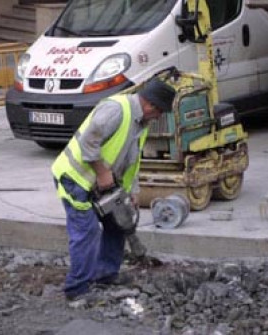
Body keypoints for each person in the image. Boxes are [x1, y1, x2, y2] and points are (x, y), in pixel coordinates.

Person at [50, 78, 176, 300]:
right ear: (151, 106)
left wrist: (131, 191)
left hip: (102, 184)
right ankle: (77, 289)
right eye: (159, 113)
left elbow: (131, 161)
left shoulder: (141, 123)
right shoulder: (116, 110)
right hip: (75, 179)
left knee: (118, 223)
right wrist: (101, 172)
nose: (159, 118)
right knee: (86, 232)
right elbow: (88, 142)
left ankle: (105, 274)